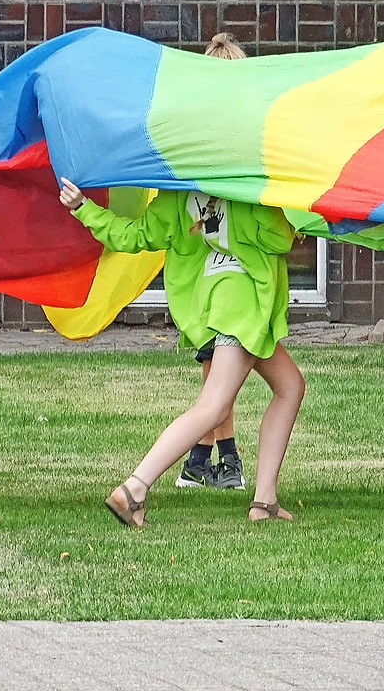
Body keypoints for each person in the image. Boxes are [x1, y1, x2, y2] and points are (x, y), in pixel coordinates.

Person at [57, 174, 305, 527]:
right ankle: (134, 489)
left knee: (290, 387)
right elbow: (277, 238)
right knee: (213, 406)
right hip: (244, 307)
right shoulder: (249, 187)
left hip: (217, 306)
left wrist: (84, 208)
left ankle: (264, 502)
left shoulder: (175, 196)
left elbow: (133, 235)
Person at [176, 32, 252, 491]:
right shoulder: (202, 142)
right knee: (216, 379)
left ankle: (212, 460)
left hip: (224, 284)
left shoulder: (225, 141)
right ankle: (211, 461)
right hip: (209, 283)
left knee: (216, 380)